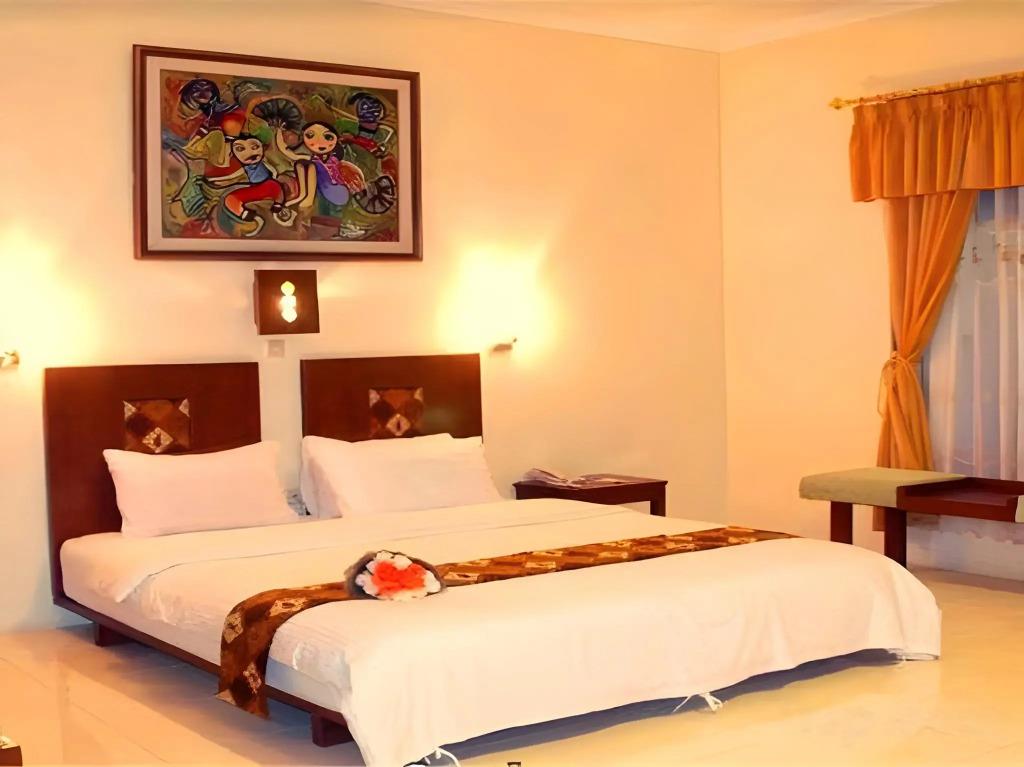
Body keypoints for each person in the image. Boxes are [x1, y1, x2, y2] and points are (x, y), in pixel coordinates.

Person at [201, 134, 293, 237]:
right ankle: (244, 214)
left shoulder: (266, 162)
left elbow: (275, 170)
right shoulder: (242, 168)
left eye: (255, 147)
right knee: (230, 199)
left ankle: (278, 206)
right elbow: (232, 174)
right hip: (254, 189)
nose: (250, 153)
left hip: (268, 185)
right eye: (240, 149)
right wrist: (216, 179)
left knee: (276, 187)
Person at [276, 121, 366, 219]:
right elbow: (289, 153)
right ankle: (302, 196)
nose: (320, 142)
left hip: (338, 191)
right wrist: (279, 131)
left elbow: (352, 172)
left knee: (311, 166)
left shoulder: (331, 160)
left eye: (328, 137)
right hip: (326, 190)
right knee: (300, 165)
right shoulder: (314, 159)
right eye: (310, 136)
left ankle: (307, 198)